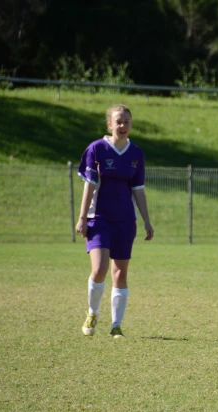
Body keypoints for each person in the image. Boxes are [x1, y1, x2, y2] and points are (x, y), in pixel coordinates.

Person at [77, 104, 154, 338]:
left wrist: (147, 221)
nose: (123, 126)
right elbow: (89, 184)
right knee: (99, 269)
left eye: (127, 122)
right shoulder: (96, 149)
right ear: (109, 124)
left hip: (124, 220)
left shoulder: (135, 154)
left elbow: (138, 190)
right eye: (119, 121)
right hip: (99, 218)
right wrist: (82, 218)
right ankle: (92, 312)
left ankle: (116, 325)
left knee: (120, 273)